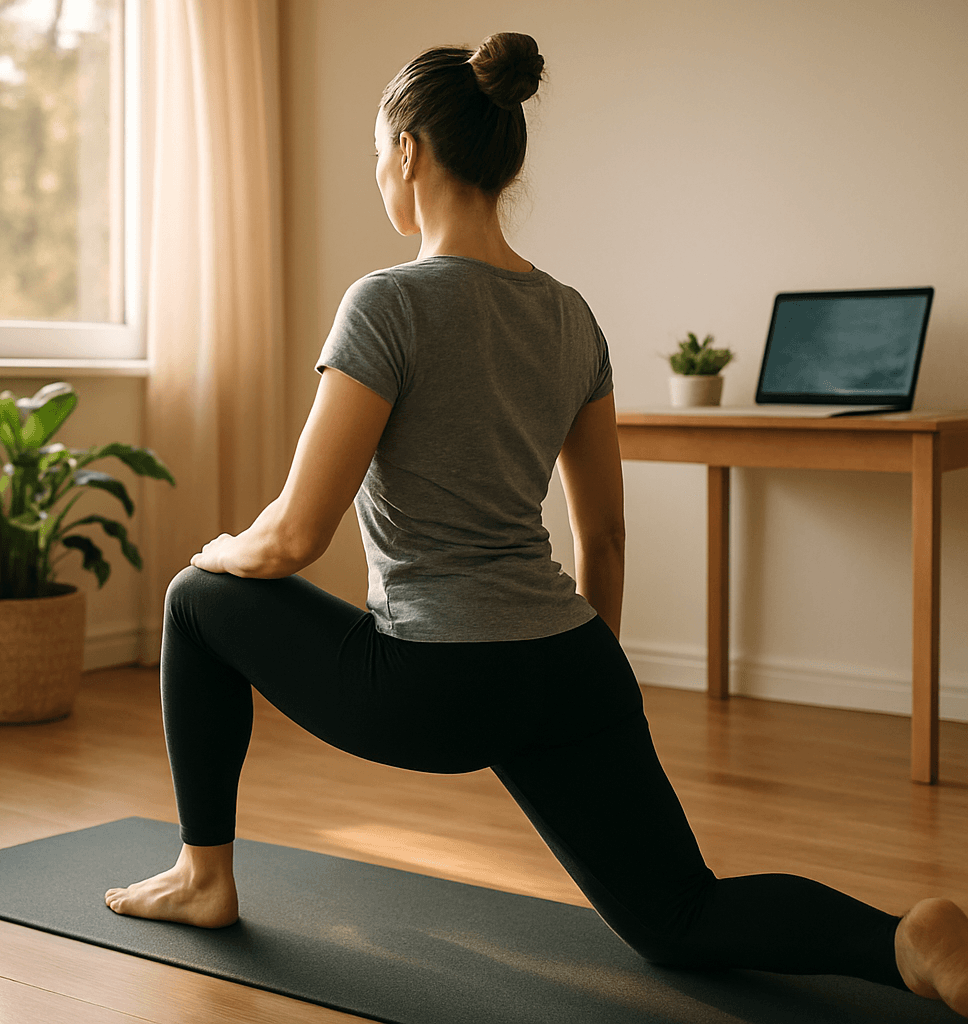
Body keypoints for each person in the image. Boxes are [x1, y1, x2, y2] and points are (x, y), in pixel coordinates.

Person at [104, 32, 968, 1017]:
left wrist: (218, 552)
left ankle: (204, 874)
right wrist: (591, 686)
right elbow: (604, 536)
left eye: (377, 154)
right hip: (571, 664)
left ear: (407, 153)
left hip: (435, 686)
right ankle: (907, 936)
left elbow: (298, 534)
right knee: (676, 917)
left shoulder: (384, 304)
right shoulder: (569, 315)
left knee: (194, 599)